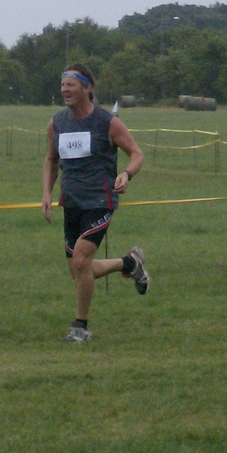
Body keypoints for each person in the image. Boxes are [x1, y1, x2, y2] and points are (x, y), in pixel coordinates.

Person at [41, 63, 150, 342]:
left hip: (100, 200)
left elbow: (136, 153)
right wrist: (46, 194)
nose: (65, 89)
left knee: (80, 261)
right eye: (63, 84)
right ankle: (129, 263)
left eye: (71, 84)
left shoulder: (107, 123)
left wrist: (126, 174)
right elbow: (52, 161)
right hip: (72, 201)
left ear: (87, 88)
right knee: (79, 269)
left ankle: (80, 327)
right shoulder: (57, 123)